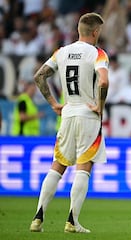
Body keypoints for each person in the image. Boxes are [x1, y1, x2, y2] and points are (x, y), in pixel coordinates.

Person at [29, 12, 109, 234]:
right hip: (88, 116)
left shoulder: (61, 52)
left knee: (58, 165)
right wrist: (100, 106)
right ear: (95, 32)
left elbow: (39, 76)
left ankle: (38, 217)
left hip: (68, 114)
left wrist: (54, 103)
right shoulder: (98, 53)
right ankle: (72, 221)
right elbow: (103, 80)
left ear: (78, 31)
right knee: (84, 167)